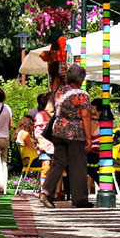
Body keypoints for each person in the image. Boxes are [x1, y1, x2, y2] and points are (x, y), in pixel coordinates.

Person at [41, 63, 96, 209]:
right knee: (78, 165)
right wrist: (89, 138)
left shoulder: (59, 91)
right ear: (81, 79)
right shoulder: (82, 94)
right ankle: (80, 199)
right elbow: (85, 115)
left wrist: (61, 118)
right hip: (75, 134)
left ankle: (46, 192)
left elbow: (48, 109)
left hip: (58, 131)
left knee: (58, 163)